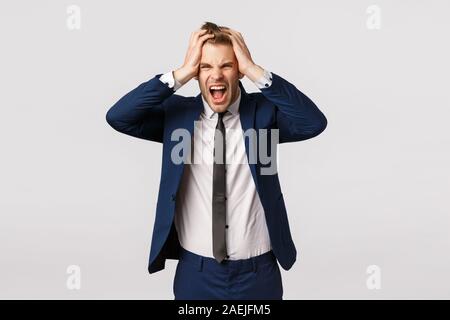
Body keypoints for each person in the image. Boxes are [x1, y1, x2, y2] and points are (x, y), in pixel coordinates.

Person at [106, 21, 327, 300]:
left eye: (227, 65)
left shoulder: (264, 115)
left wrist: (256, 71)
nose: (216, 75)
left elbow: (313, 123)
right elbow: (118, 117)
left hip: (258, 274)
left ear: (239, 71)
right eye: (205, 66)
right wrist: (180, 74)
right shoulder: (178, 118)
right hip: (196, 273)